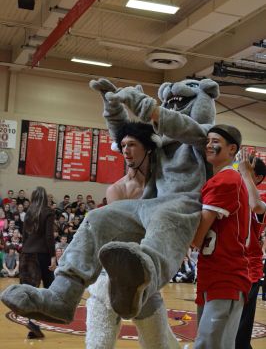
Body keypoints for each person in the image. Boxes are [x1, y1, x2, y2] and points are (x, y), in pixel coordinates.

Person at [1, 78, 219, 326]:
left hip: (184, 205)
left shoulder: (208, 140)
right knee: (97, 217)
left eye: (177, 104)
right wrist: (112, 105)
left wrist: (146, 107)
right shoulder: (157, 146)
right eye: (169, 104)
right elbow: (126, 135)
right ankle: (62, 295)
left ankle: (138, 288)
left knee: (165, 220)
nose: (171, 109)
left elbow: (187, 128)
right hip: (150, 205)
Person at [86, 121, 180, 349]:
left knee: (159, 345)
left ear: (148, 147)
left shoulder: (163, 186)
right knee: (98, 344)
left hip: (145, 278)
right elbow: (125, 232)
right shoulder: (116, 189)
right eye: (123, 145)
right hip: (110, 277)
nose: (126, 150)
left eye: (132, 144)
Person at [192, 124, 251, 349]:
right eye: (207, 141)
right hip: (212, 270)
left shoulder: (227, 180)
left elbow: (198, 237)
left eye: (215, 141)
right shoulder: (218, 179)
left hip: (227, 273)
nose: (208, 145)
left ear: (232, 148)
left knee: (209, 344)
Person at [235, 150, 266, 349]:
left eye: (248, 170)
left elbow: (255, 206)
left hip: (249, 271)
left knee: (240, 333)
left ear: (259, 178)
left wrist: (245, 173)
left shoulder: (260, 201)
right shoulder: (233, 194)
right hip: (228, 267)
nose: (242, 171)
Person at [19, 186, 56, 339]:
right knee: (49, 289)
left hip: (26, 254)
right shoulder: (48, 212)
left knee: (29, 292)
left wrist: (23, 252)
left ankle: (32, 323)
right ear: (45, 198)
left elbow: (24, 237)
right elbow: (49, 237)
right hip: (41, 254)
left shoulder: (28, 213)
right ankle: (38, 321)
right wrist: (53, 256)